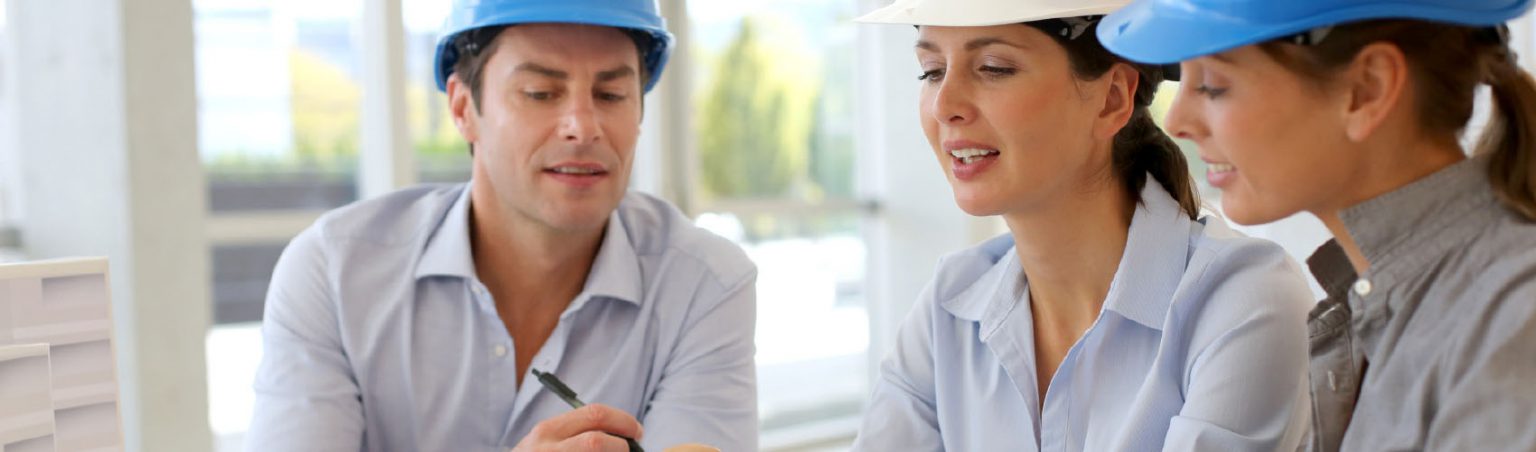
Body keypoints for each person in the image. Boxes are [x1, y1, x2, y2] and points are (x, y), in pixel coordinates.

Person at [245, 0, 758, 450]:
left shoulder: (703, 284)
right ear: (464, 108)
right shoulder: (333, 273)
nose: (583, 126)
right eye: (540, 92)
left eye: (611, 95)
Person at [850, 0, 1315, 450]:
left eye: (993, 67)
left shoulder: (1244, 300)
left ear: (1113, 98)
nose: (944, 105)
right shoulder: (948, 306)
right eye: (931, 71)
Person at [1099, 0, 1536, 450]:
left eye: (1213, 85)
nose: (1177, 122)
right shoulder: (1389, 306)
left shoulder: (1512, 319)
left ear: (1368, 89)